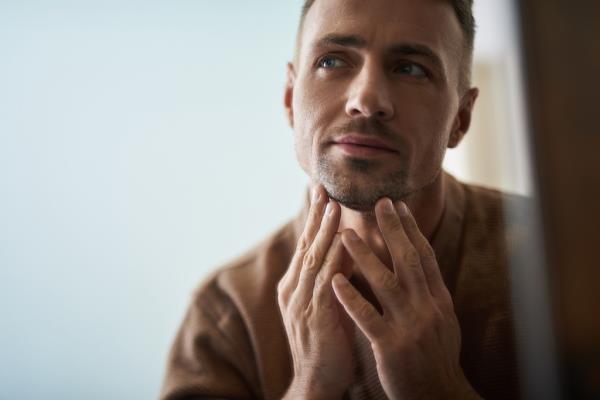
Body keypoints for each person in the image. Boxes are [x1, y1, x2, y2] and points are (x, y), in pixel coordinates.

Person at [160, 0, 526, 399]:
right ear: (289, 99)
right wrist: (312, 384)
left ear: (460, 118)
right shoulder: (226, 317)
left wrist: (439, 389)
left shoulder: (568, 261)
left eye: (410, 68)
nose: (367, 100)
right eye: (332, 61)